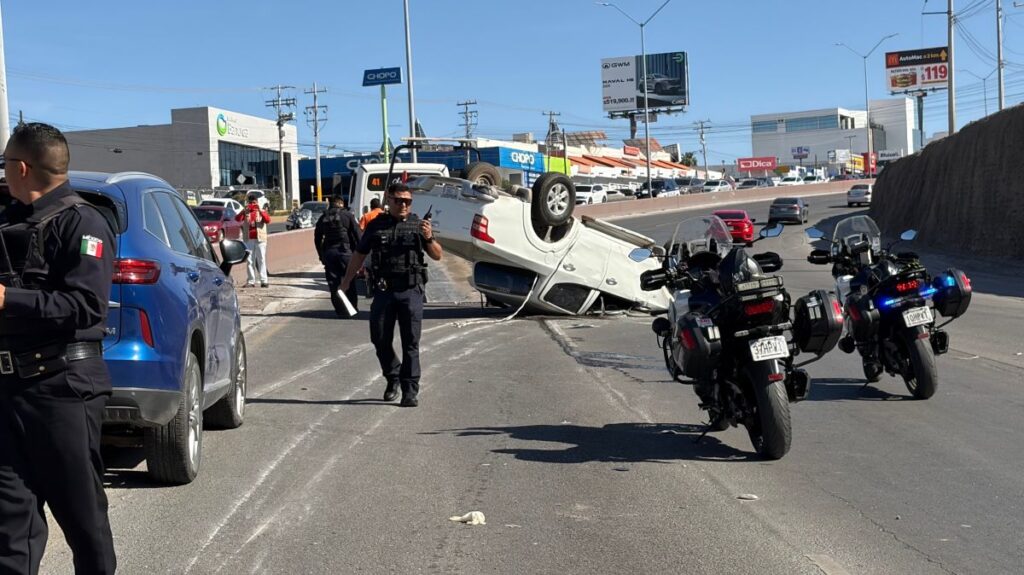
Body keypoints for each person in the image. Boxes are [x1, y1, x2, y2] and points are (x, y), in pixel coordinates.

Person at [0, 122, 117, 574]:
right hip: (9, 392)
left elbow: (87, 306)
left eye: (6, 163)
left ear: (22, 167)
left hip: (62, 390)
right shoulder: (8, 222)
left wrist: (10, 299)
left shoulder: (83, 222)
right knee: (10, 525)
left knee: (83, 520)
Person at [340, 183, 442, 407]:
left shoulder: (418, 224)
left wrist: (430, 237)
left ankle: (410, 389)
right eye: (399, 200)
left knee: (411, 343)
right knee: (379, 338)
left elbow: (437, 255)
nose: (404, 205)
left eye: (408, 201)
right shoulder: (376, 225)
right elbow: (359, 254)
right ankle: (392, 376)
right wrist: (346, 281)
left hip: (411, 291)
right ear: (389, 201)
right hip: (384, 291)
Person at [314, 195, 362, 317]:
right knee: (349, 281)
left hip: (329, 253)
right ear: (341, 203)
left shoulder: (323, 217)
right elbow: (358, 235)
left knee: (333, 283)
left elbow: (317, 238)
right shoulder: (347, 215)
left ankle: (340, 310)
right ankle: (352, 309)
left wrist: (321, 255)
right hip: (345, 253)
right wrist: (360, 254)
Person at [235, 193, 272, 287]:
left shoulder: (261, 211)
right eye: (250, 202)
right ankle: (251, 281)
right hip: (249, 238)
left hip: (260, 238)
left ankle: (264, 280)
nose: (252, 204)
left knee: (261, 259)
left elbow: (268, 220)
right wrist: (244, 211)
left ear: (257, 202)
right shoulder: (246, 212)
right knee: (249, 260)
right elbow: (237, 219)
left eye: (254, 202)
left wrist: (259, 209)